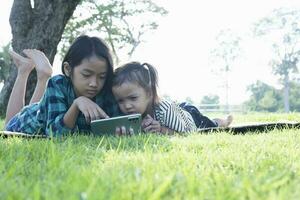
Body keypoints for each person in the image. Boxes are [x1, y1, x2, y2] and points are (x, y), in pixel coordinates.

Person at [5, 35, 120, 136]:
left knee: (42, 106)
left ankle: (42, 75)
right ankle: (24, 71)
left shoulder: (106, 91)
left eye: (102, 76)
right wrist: (77, 103)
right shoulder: (58, 84)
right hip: (25, 123)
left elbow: (116, 122)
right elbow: (55, 133)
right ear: (68, 69)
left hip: (42, 110)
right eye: (86, 75)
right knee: (8, 128)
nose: (94, 84)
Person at [112, 62, 233, 135]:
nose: (127, 106)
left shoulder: (164, 110)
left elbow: (186, 134)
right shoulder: (131, 115)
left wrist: (161, 129)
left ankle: (224, 121)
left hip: (190, 117)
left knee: (211, 125)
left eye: (133, 98)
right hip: (177, 112)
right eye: (121, 101)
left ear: (149, 93)